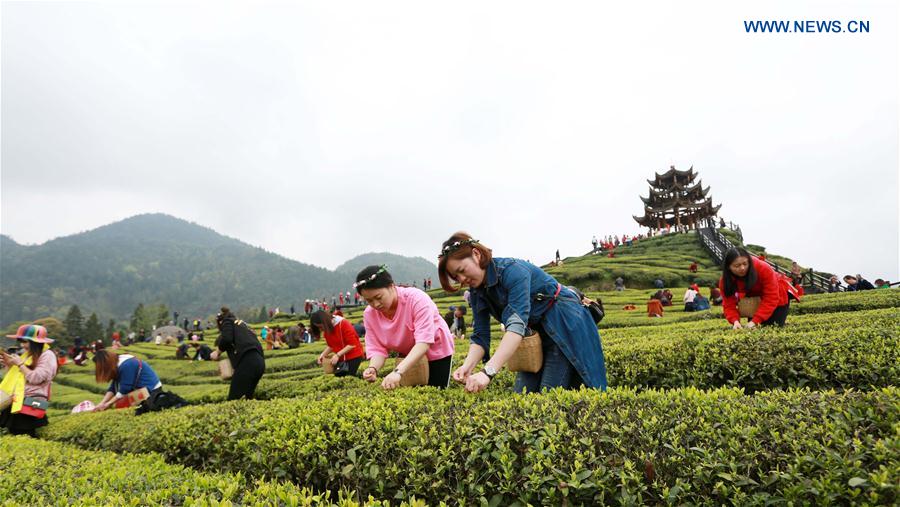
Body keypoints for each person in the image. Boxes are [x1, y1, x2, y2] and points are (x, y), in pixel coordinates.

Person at [438, 232, 607, 394]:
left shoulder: (512, 271)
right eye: (456, 277)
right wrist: (467, 366)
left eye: (462, 270)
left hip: (564, 322)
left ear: (476, 254)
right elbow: (480, 334)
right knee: (523, 394)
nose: (461, 279)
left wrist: (487, 372)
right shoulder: (476, 291)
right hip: (535, 333)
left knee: (549, 394)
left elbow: (517, 324)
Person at [354, 265, 455, 389]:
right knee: (414, 396)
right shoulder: (369, 314)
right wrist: (373, 368)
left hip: (436, 351)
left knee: (437, 392)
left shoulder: (416, 299)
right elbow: (377, 348)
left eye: (378, 297)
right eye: (369, 301)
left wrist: (398, 371)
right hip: (408, 357)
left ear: (391, 286)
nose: (375, 304)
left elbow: (423, 342)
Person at [0, 325, 59, 437]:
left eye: (25, 341)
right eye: (20, 341)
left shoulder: (47, 355)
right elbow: (18, 378)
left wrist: (19, 364)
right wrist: (9, 364)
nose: (22, 345)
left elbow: (36, 378)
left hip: (30, 403)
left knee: (25, 435)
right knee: (14, 436)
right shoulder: (28, 355)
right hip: (17, 401)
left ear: (36, 342)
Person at [720, 248, 797, 329]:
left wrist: (755, 321)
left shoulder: (763, 268)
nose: (742, 268)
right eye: (737, 266)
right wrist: (735, 321)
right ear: (728, 267)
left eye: (745, 264)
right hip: (755, 299)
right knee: (753, 329)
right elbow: (728, 304)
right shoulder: (725, 280)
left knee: (774, 327)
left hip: (778, 295)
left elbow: (771, 297)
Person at [211, 307, 266, 400]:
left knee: (234, 399)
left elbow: (227, 339)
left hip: (248, 362)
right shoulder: (243, 326)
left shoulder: (227, 321)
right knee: (247, 397)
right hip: (259, 363)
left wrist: (217, 352)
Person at [91, 349, 162, 412]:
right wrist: (102, 403)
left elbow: (124, 390)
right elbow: (113, 388)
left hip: (152, 390)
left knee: (119, 406)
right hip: (142, 390)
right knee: (117, 404)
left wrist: (108, 404)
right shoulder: (116, 363)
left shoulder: (127, 365)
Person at [312, 310, 365, 377]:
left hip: (354, 356)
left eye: (320, 327)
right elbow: (331, 345)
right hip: (342, 359)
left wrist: (337, 355)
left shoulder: (343, 323)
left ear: (325, 322)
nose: (320, 329)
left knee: (348, 379)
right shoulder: (327, 328)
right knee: (340, 378)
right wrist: (322, 355)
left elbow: (352, 344)